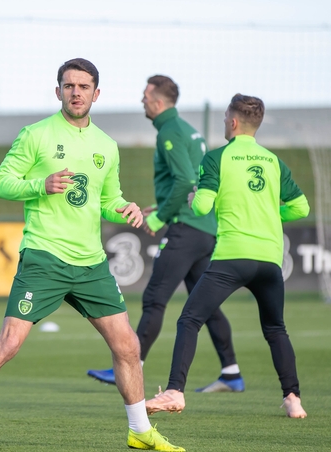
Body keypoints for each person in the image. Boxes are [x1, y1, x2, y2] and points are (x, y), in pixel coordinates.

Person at [0, 58, 184, 452]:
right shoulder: (35, 135)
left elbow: (107, 200)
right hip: (44, 257)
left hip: (91, 263)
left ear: (96, 94)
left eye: (84, 87)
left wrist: (125, 208)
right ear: (58, 91)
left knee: (128, 346)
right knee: (9, 343)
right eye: (69, 86)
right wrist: (40, 184)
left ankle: (139, 430)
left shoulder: (106, 146)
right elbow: (0, 183)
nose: (76, 92)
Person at [145, 93, 310, 419]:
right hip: (269, 260)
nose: (223, 122)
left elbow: (203, 205)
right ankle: (293, 399)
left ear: (233, 122)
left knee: (189, 319)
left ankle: (175, 392)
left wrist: (194, 198)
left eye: (224, 118)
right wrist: (266, 213)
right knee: (276, 329)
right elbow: (301, 207)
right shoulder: (274, 161)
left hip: (233, 256)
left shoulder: (217, 158)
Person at [87, 75, 244, 393]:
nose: (142, 100)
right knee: (205, 306)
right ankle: (231, 372)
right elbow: (191, 184)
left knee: (155, 298)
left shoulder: (169, 132)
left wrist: (159, 217)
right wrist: (160, 206)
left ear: (158, 102)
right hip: (203, 228)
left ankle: (131, 367)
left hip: (185, 230)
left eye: (145, 95)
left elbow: (186, 182)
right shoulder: (188, 130)